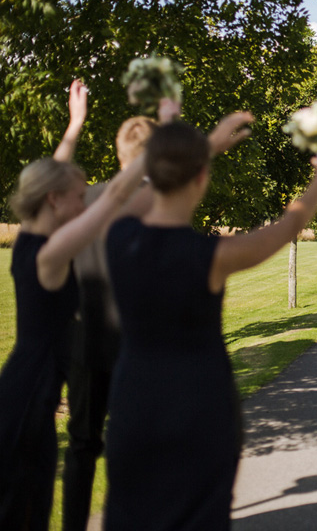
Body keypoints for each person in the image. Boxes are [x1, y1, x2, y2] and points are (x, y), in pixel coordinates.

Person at [102, 116, 317, 529]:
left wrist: (200, 151)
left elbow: (132, 195)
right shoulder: (210, 256)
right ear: (201, 178)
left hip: (132, 402)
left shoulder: (118, 237)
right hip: (199, 408)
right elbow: (288, 226)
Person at [0, 80, 148, 530]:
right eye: (80, 196)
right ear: (54, 200)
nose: (87, 203)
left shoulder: (31, 237)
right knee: (23, 511)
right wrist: (157, 153)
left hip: (27, 387)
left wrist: (75, 124)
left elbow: (52, 175)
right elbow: (117, 198)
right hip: (31, 398)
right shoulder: (50, 252)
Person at [61, 103, 179, 531]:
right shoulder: (159, 203)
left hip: (85, 344)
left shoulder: (85, 200)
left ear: (118, 152)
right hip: (138, 349)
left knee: (81, 446)